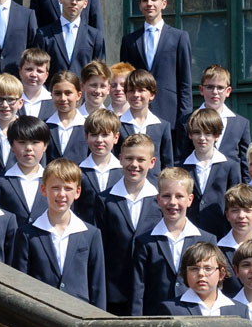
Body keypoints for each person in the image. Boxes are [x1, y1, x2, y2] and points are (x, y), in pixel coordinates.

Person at [13, 157, 106, 309]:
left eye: (68, 188)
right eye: (55, 188)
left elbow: (97, 286)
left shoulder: (91, 234)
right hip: (40, 313)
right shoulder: (27, 234)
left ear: (77, 192)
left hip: (80, 314)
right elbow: (20, 281)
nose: (62, 194)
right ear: (44, 190)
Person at [130, 167, 216, 316]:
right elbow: (138, 288)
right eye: (166, 196)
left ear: (190, 200)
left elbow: (213, 284)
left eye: (179, 196)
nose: (172, 202)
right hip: (156, 317)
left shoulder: (206, 240)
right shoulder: (145, 241)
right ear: (158, 199)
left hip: (195, 315)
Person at [92, 133, 160, 315]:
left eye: (141, 159)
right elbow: (99, 247)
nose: (134, 165)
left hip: (152, 290)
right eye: (129, 158)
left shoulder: (160, 199)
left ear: (152, 162)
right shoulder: (105, 200)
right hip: (115, 291)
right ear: (120, 159)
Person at [119, 0, 192, 136]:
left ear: (163, 4)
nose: (149, 3)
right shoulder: (129, 41)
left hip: (170, 115)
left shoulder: (179, 38)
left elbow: (185, 81)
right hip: (137, 115)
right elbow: (124, 81)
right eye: (145, 0)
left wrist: (185, 118)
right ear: (140, 5)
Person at [181, 107, 239, 237]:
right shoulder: (181, 168)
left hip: (221, 231)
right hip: (190, 232)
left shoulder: (230, 166)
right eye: (197, 132)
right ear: (190, 135)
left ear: (217, 136)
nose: (202, 138)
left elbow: (235, 201)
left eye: (207, 133)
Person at [192, 64, 250, 181]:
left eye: (220, 88)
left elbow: (245, 161)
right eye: (209, 87)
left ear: (228, 91)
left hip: (231, 185)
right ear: (201, 90)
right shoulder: (189, 120)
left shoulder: (240, 123)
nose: (215, 92)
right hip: (198, 181)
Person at [37, 0, 106, 75]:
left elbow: (100, 73)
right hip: (53, 89)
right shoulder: (44, 34)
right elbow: (38, 69)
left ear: (85, 3)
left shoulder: (95, 36)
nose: (74, 2)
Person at [0, 115, 50, 229]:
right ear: (12, 145)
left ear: (45, 145)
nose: (28, 148)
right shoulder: (0, 182)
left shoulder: (53, 180)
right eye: (22, 142)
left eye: (35, 142)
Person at [158, 242, 243, 316]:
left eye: (208, 268)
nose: (201, 274)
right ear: (185, 273)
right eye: (194, 269)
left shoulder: (240, 310)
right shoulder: (171, 309)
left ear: (222, 274)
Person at [119, 69, 173, 177]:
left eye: (141, 90)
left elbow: (167, 163)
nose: (136, 95)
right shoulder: (117, 124)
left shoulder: (162, 126)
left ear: (152, 94)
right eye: (131, 90)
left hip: (154, 187)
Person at [78, 108, 121, 224]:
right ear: (87, 137)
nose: (99, 140)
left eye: (105, 135)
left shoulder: (123, 172)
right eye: (94, 135)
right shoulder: (78, 172)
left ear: (116, 138)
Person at [45, 70, 88, 163]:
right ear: (51, 95)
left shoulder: (88, 127)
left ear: (79, 95)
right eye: (57, 93)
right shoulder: (44, 126)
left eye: (68, 93)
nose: (63, 98)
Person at [19, 48, 53, 119]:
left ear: (46, 76)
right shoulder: (11, 99)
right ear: (20, 72)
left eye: (39, 71)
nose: (34, 74)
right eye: (29, 69)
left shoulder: (53, 101)